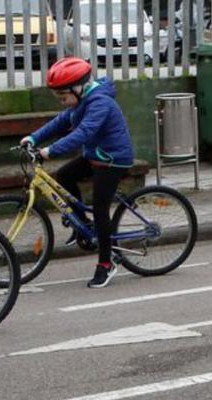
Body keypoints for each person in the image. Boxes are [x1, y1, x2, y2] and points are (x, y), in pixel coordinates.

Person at [20, 57, 134, 289]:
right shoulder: (80, 102)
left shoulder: (100, 102)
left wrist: (51, 150)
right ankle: (82, 224)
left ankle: (106, 263)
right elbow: (61, 122)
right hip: (96, 155)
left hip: (113, 159)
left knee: (101, 208)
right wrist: (33, 137)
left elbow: (83, 132)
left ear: (79, 88)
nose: (62, 102)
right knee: (64, 176)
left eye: (64, 97)